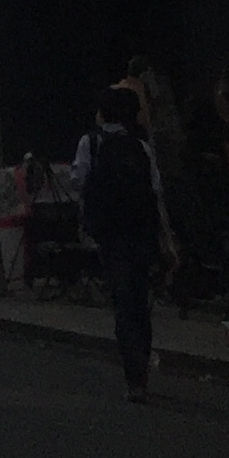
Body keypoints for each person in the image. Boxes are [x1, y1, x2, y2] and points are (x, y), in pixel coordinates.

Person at [78, 85, 172, 400]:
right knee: (140, 299)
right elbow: (156, 192)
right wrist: (166, 239)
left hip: (110, 235)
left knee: (122, 301)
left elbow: (80, 183)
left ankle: (134, 376)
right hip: (141, 233)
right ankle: (142, 362)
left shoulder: (91, 143)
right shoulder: (141, 147)